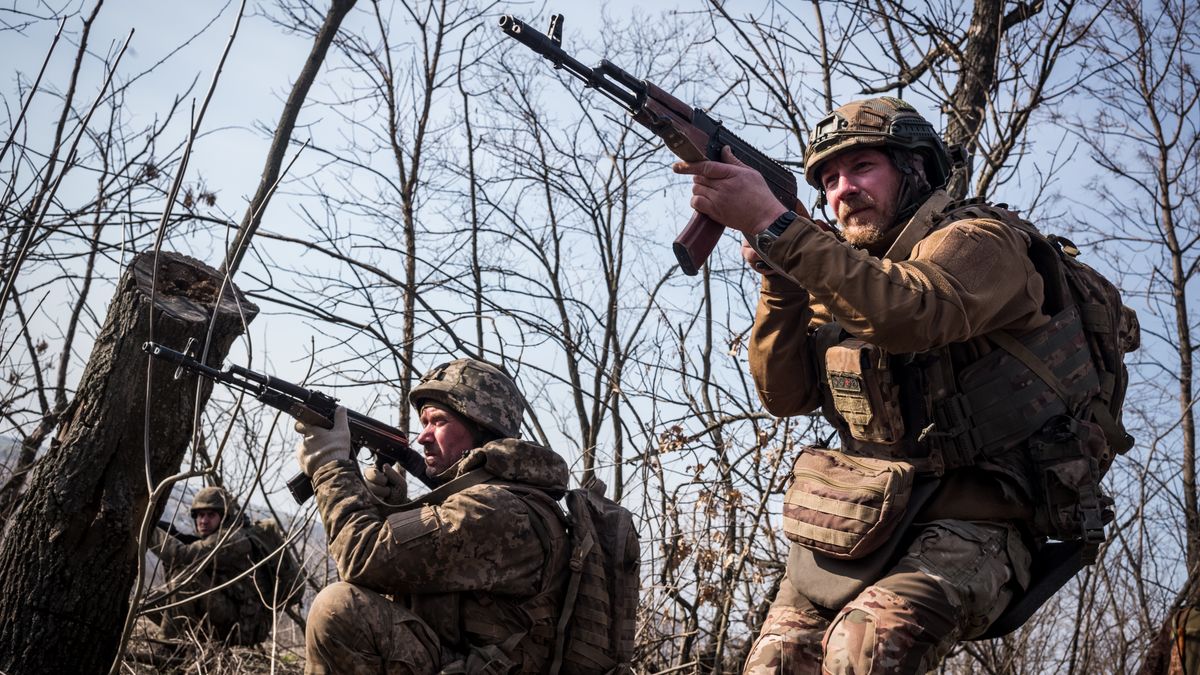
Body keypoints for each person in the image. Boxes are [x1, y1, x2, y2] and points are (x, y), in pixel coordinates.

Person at [673, 96, 1135, 673]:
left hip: (977, 524)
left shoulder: (983, 242)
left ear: (916, 169)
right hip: (859, 524)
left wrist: (776, 226)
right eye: (830, 180)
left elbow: (913, 311)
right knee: (775, 663)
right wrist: (780, 280)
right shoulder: (841, 276)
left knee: (863, 651)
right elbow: (785, 395)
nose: (843, 189)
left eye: (863, 167)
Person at [295, 357, 572, 674]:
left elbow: (361, 556)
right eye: (423, 422)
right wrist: (393, 507)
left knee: (339, 609)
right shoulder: (507, 502)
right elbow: (411, 567)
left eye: (438, 422)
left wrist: (330, 465)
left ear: (482, 429)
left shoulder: (496, 510)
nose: (422, 437)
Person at [149, 486, 276, 646]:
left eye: (211, 515)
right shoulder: (218, 537)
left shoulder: (233, 539)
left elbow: (181, 554)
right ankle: (187, 644)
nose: (203, 520)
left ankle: (167, 649)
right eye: (200, 515)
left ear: (224, 517)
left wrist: (147, 528)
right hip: (228, 615)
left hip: (243, 628)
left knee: (186, 578)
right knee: (149, 602)